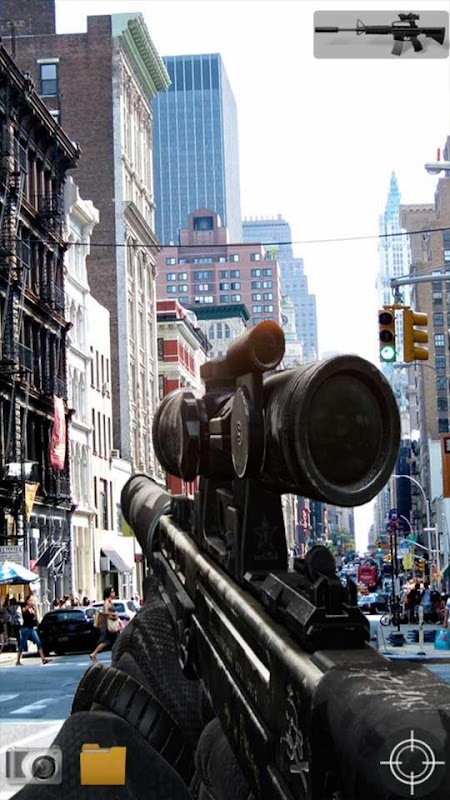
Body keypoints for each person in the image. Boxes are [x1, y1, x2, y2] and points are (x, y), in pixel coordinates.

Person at [16, 594, 50, 665]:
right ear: (27, 601)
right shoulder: (24, 608)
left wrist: (35, 611)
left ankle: (43, 659)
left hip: (31, 629)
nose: (32, 602)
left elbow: (36, 618)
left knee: (39, 642)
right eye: (31, 600)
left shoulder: (33, 609)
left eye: (33, 600)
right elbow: (23, 612)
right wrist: (28, 608)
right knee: (22, 645)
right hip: (25, 629)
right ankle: (18, 661)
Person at [89, 586, 120, 662]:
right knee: (108, 641)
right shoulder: (106, 602)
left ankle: (94, 654)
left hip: (112, 623)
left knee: (109, 641)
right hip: (109, 624)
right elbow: (105, 612)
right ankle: (94, 654)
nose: (114, 593)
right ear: (109, 593)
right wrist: (114, 614)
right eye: (112, 592)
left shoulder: (110, 602)